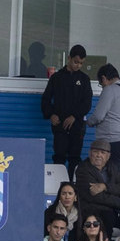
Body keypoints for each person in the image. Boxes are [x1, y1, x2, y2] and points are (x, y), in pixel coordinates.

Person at [41, 45, 92, 180]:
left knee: (75, 158)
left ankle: (73, 187)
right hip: (60, 126)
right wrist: (51, 114)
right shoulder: (57, 78)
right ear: (69, 58)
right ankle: (59, 186)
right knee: (59, 157)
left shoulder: (84, 79)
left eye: (81, 63)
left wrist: (74, 117)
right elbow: (46, 99)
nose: (78, 66)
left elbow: (87, 103)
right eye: (76, 62)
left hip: (77, 126)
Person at [86, 65, 120, 169]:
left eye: (101, 84)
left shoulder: (110, 90)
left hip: (112, 141)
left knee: (110, 175)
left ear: (104, 78)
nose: (102, 87)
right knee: (119, 175)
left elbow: (98, 116)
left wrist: (88, 122)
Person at [75, 141, 120, 236]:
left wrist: (105, 186)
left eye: (103, 153)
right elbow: (97, 196)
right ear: (90, 153)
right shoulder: (83, 169)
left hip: (113, 209)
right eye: (95, 152)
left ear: (108, 156)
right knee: (107, 217)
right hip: (92, 210)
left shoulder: (113, 167)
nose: (99, 155)